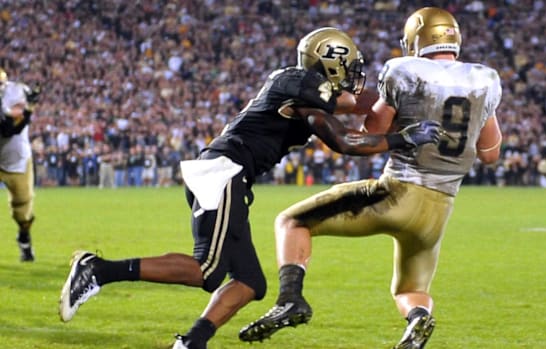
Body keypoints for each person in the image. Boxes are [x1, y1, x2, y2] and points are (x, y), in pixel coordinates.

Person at [58, 27, 442, 349]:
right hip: (225, 169)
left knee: (249, 283)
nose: (354, 76)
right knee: (206, 269)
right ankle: (98, 269)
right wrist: (403, 135)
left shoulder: (307, 95)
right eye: (349, 67)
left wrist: (409, 100)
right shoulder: (301, 82)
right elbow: (347, 138)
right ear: (331, 62)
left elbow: (353, 114)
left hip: (229, 174)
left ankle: (191, 342)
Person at [239, 7, 503, 349]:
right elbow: (490, 153)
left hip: (397, 192)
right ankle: (418, 320)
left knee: (292, 221)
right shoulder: (485, 79)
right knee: (411, 290)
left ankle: (290, 299)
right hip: (440, 209)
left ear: (415, 38)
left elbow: (371, 131)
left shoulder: (403, 69)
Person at [0, 69, 40, 262]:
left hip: (16, 161)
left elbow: (15, 126)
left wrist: (28, 107)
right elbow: (8, 129)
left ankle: (24, 237)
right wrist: (29, 110)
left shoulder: (17, 91)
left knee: (22, 209)